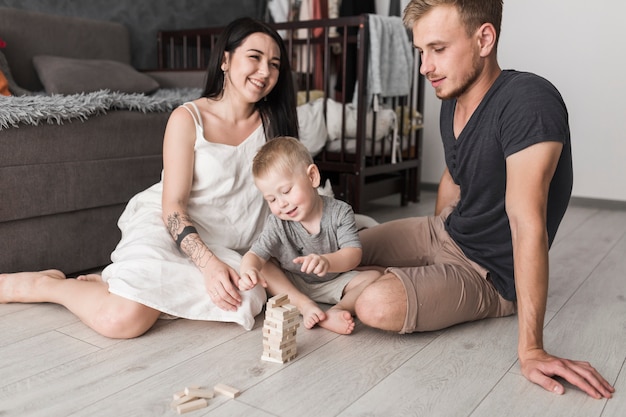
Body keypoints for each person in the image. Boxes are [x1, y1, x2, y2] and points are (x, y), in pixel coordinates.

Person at [351, 0, 615, 399]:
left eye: (438, 49)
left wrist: (531, 349)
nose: (425, 67)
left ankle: (368, 284)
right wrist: (432, 245)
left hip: (486, 274)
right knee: (345, 247)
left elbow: (528, 221)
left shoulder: (529, 100)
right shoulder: (452, 97)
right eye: (421, 51)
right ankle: (363, 272)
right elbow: (454, 179)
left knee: (375, 305)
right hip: (446, 234)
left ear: (484, 39)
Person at [0, 17, 299, 338]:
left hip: (232, 245)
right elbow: (173, 209)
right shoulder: (188, 118)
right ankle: (48, 286)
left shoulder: (275, 124)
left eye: (274, 63)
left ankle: (120, 282)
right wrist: (209, 265)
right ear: (225, 60)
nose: (265, 71)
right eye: (254, 57)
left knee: (241, 300)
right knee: (122, 320)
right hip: (173, 227)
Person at [238, 136, 381, 335]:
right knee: (265, 267)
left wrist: (327, 262)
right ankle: (305, 306)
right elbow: (254, 254)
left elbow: (353, 254)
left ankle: (338, 311)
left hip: (334, 281)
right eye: (271, 199)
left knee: (373, 277)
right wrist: (248, 271)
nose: (281, 204)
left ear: (312, 177)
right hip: (292, 284)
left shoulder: (340, 212)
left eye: (286, 191)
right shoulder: (277, 223)